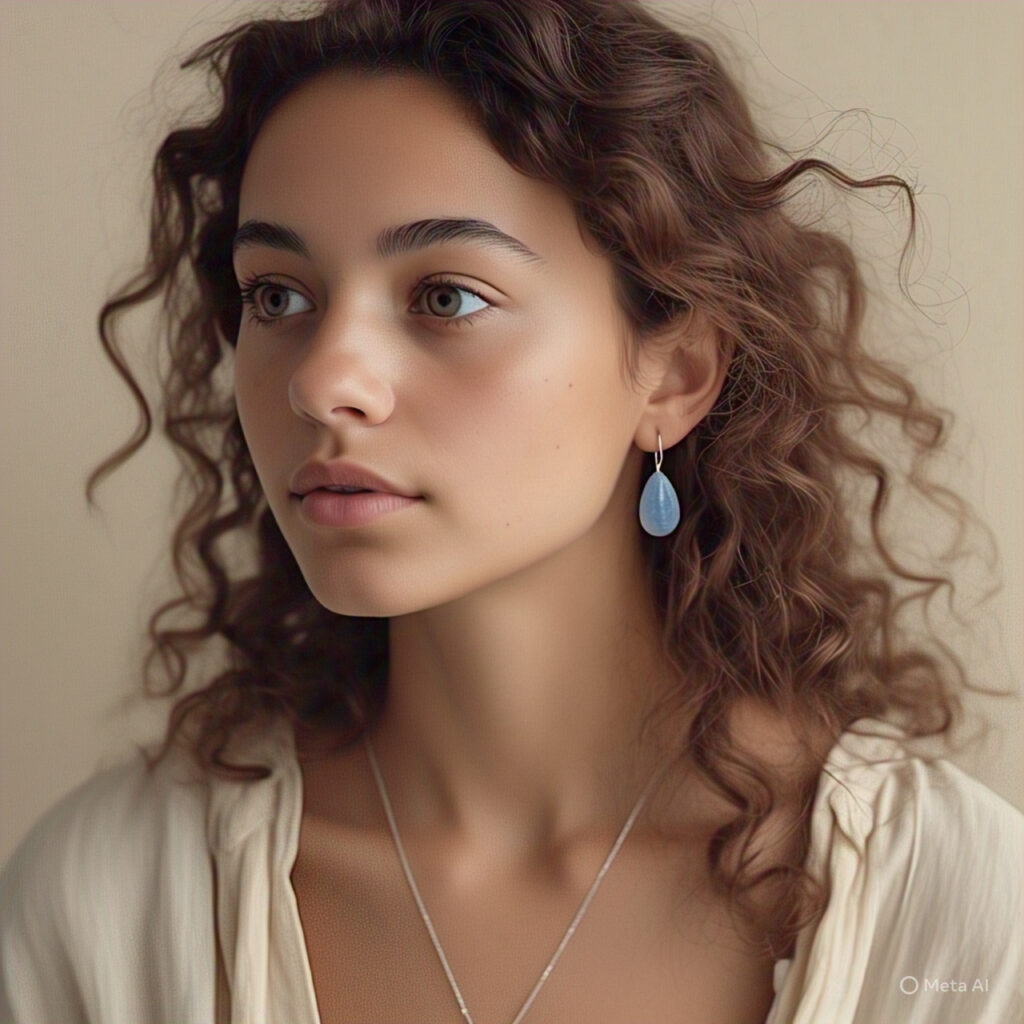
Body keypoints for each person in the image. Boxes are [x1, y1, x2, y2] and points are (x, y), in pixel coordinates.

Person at [1, 0, 1022, 1022]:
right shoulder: (114, 907)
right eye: (277, 296)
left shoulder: (954, 917)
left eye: (444, 296)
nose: (322, 380)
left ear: (673, 373)